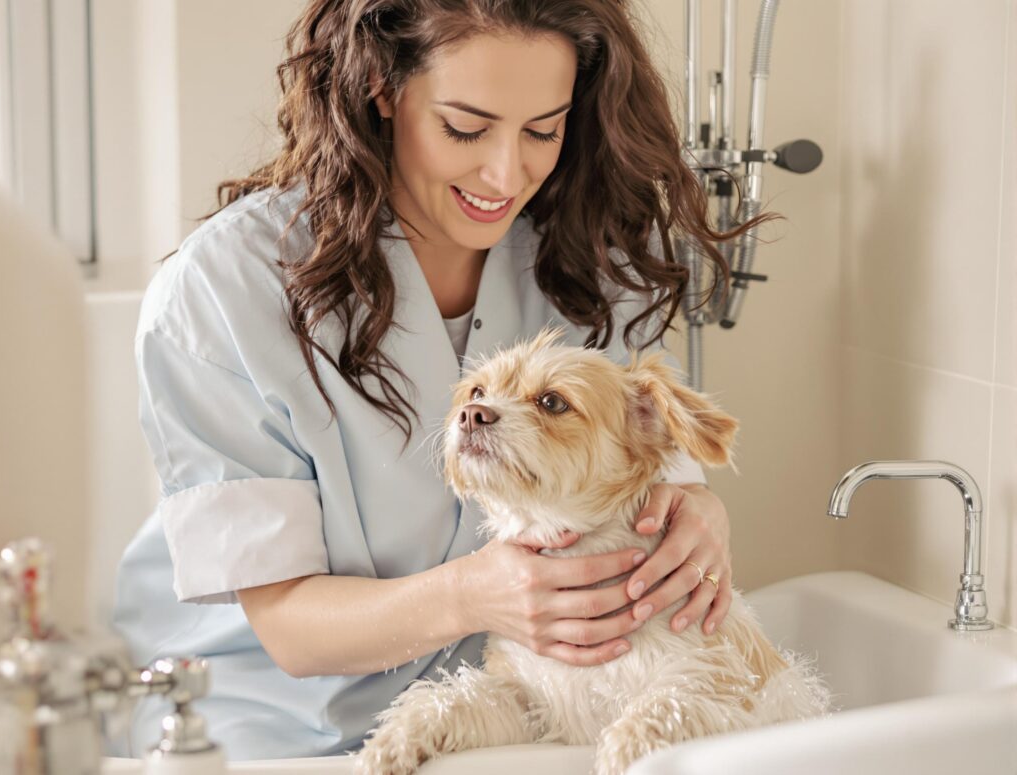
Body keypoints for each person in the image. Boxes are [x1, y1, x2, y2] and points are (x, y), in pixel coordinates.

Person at [112, 0, 777, 761]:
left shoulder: (592, 253)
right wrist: (472, 595)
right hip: (266, 726)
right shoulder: (226, 289)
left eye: (542, 130)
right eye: (466, 128)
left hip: (498, 715)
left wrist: (698, 513)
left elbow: (656, 475)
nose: (505, 174)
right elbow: (288, 627)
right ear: (382, 89)